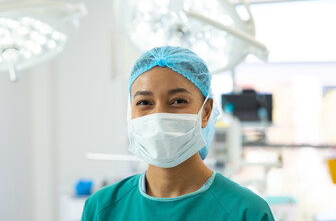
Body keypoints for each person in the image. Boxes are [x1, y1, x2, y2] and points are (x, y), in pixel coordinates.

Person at [81, 46, 275, 221]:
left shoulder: (247, 213)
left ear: (206, 112)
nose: (159, 115)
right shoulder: (101, 209)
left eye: (178, 101)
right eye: (144, 103)